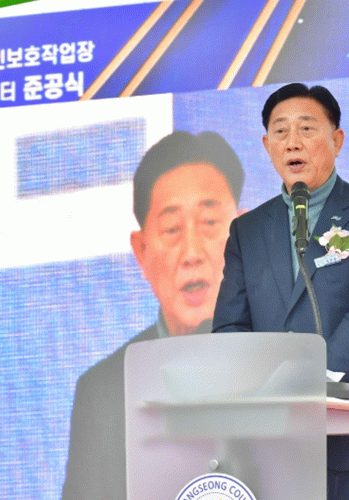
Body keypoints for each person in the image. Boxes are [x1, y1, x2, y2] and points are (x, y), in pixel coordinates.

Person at [213, 83, 349, 499]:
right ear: (267, 146)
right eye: (280, 131)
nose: (292, 142)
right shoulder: (246, 231)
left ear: (337, 140)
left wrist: (304, 380)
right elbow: (230, 327)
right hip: (274, 440)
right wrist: (262, 390)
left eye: (307, 128)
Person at [62, 130, 244, 499]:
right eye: (172, 229)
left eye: (210, 223)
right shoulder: (104, 394)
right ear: (142, 251)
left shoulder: (294, 364)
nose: (192, 252)